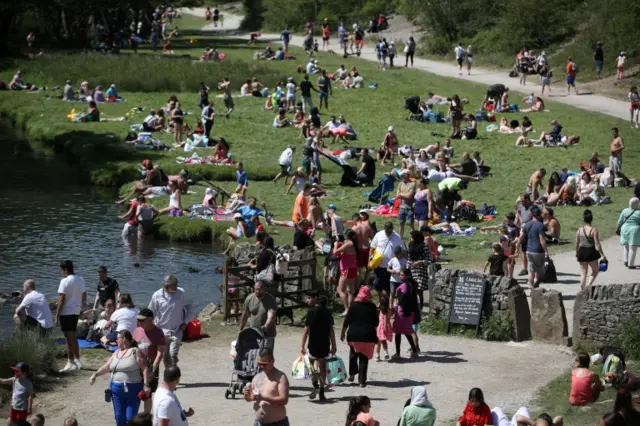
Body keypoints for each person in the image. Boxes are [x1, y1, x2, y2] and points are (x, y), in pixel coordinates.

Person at [90, 330, 150, 426]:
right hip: (116, 391)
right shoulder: (116, 353)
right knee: (119, 417)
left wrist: (146, 385)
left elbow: (145, 368)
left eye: (117, 338)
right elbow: (106, 367)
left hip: (133, 390)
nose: (116, 340)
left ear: (124, 339)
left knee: (130, 418)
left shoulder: (135, 351)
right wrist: (95, 374)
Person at [148, 275, 196, 368]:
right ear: (167, 286)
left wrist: (185, 322)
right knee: (165, 357)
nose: (177, 286)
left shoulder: (181, 293)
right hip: (161, 331)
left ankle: (173, 375)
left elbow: (191, 306)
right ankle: (169, 375)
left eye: (177, 284)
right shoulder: (157, 295)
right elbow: (151, 311)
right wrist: (150, 325)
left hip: (177, 329)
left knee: (173, 355)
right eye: (174, 285)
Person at [300, 290, 336, 400]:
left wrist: (302, 345)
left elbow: (306, 330)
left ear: (315, 298)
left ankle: (315, 384)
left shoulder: (311, 312)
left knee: (310, 364)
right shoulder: (327, 312)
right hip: (325, 343)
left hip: (313, 344)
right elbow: (331, 330)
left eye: (309, 298)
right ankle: (321, 391)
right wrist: (334, 345)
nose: (307, 300)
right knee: (322, 368)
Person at [341, 286, 378, 388]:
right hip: (368, 335)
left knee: (353, 354)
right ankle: (362, 381)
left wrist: (342, 332)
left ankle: (352, 374)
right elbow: (376, 322)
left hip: (354, 335)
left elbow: (347, 320)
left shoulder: (353, 306)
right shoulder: (372, 307)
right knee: (364, 358)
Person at [243, 347, 289, 426]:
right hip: (259, 423)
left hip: (277, 423)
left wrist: (264, 398)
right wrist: (247, 395)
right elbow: (252, 398)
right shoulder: (257, 377)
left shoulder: (281, 377)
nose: (262, 366)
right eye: (260, 363)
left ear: (272, 361)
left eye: (265, 364)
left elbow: (284, 400)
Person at [56, 260, 87, 372]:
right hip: (76, 311)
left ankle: (70, 362)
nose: (61, 272)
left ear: (65, 269)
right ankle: (77, 360)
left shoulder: (64, 281)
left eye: (62, 270)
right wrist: (82, 308)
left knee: (69, 339)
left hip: (66, 312)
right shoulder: (80, 279)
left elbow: (61, 300)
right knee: (73, 336)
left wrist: (57, 315)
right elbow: (84, 295)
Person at [133, 308, 165, 414]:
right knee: (136, 390)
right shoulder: (137, 330)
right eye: (138, 320)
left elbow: (160, 353)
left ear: (150, 320)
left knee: (148, 393)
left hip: (151, 366)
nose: (139, 322)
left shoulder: (158, 332)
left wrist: (152, 369)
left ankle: (146, 416)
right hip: (137, 365)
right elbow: (133, 347)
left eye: (142, 320)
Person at [515, 206, 548, 288]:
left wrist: (517, 247)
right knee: (540, 271)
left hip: (529, 250)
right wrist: (546, 251)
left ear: (532, 215)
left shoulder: (527, 225)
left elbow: (521, 237)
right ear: (539, 214)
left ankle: (531, 286)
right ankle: (536, 286)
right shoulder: (540, 225)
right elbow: (542, 240)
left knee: (531, 271)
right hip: (539, 251)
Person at [370, 222, 405, 297]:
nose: (388, 232)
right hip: (379, 265)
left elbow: (403, 250)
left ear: (392, 229)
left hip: (391, 267)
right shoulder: (379, 235)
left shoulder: (397, 237)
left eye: (390, 231)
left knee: (389, 286)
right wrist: (369, 261)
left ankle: (387, 301)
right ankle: (381, 299)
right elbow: (372, 248)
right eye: (387, 231)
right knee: (377, 285)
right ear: (384, 228)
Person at [239, 281, 277, 349]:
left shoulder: (271, 300)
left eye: (259, 289)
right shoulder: (249, 298)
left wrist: (266, 326)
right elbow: (245, 315)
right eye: (255, 289)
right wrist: (241, 329)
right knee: (253, 356)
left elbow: (271, 316)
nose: (257, 291)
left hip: (268, 333)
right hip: (254, 332)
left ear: (264, 289)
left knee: (265, 357)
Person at [575, 209, 607, 289]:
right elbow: (597, 243)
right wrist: (602, 255)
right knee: (595, 271)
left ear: (584, 219)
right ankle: (588, 286)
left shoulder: (579, 230)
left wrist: (577, 252)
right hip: (591, 252)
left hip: (581, 252)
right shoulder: (593, 230)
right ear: (591, 219)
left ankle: (582, 289)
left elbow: (577, 243)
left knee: (583, 273)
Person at [334, 229, 359, 315]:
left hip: (346, 269)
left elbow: (335, 252)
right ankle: (350, 309)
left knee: (340, 290)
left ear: (346, 236)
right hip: (353, 269)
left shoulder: (348, 244)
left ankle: (347, 309)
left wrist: (335, 245)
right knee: (350, 291)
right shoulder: (354, 244)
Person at [618, 198, 640, 269]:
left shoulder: (625, 210)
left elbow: (620, 221)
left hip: (624, 229)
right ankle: (631, 264)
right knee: (633, 247)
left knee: (626, 245)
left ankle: (625, 260)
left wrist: (618, 228)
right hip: (634, 230)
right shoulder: (639, 213)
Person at [397, 170, 417, 237]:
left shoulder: (412, 184)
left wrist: (401, 195)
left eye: (404, 174)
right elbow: (397, 196)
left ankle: (414, 238)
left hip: (409, 207)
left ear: (408, 175)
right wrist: (404, 195)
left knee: (411, 224)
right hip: (401, 207)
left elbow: (409, 196)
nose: (402, 175)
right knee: (401, 223)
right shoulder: (400, 184)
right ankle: (400, 237)